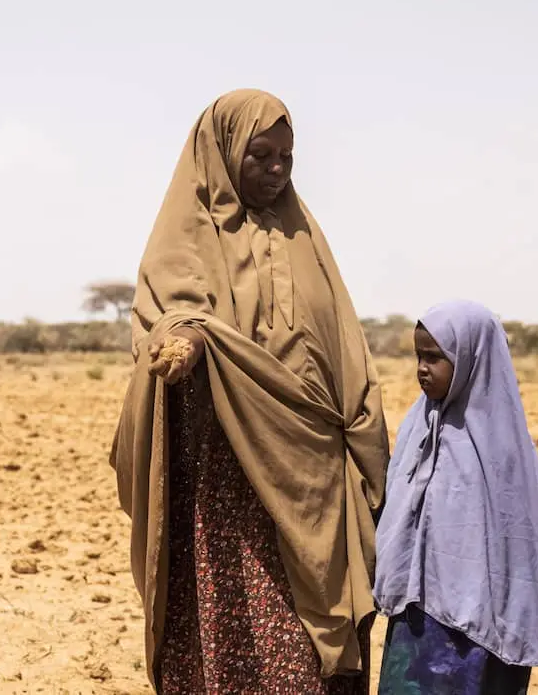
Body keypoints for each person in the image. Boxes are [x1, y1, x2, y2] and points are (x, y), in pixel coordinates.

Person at [107, 89, 391, 694]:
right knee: (237, 621)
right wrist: (183, 342)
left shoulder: (304, 237)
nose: (277, 170)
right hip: (230, 476)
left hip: (313, 474)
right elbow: (169, 311)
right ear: (225, 151)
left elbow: (341, 341)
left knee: (312, 632)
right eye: (261, 155)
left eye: (286, 156)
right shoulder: (187, 233)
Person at [372, 300, 538, 694]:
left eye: (434, 358)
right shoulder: (419, 426)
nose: (422, 368)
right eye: (418, 357)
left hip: (475, 631)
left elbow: (517, 547)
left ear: (470, 359)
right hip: (417, 618)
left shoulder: (502, 447)